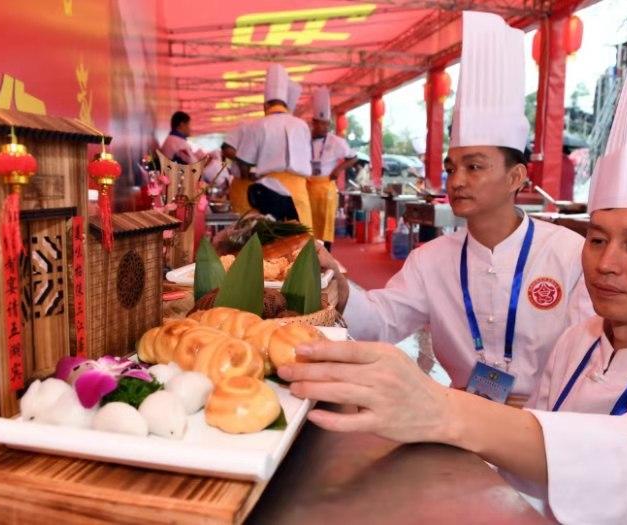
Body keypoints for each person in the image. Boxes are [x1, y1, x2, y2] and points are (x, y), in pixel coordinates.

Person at [282, 6, 627, 524]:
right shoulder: (580, 342)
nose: (606, 264)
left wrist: (447, 411)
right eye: (599, 238)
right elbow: (539, 477)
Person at [317, 11, 591, 406]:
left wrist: (539, 406)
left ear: (516, 177)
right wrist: (338, 285)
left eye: (475, 167)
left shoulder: (567, 254)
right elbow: (382, 323)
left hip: (551, 427)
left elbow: (589, 355)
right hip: (461, 419)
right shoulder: (430, 260)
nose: (457, 179)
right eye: (451, 167)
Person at [238, 64, 313, 226]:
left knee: (271, 242)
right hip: (299, 191)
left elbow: (243, 162)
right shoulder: (302, 125)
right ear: (285, 105)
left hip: (269, 193)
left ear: (265, 106)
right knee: (302, 242)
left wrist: (250, 175)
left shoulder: (257, 125)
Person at [308, 87, 357, 251]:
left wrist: (339, 169)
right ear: (313, 123)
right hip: (307, 186)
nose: (323, 127)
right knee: (307, 225)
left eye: (326, 124)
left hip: (326, 187)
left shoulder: (337, 142)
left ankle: (326, 255)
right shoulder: (304, 138)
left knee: (325, 226)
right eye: (320, 123)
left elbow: (353, 157)